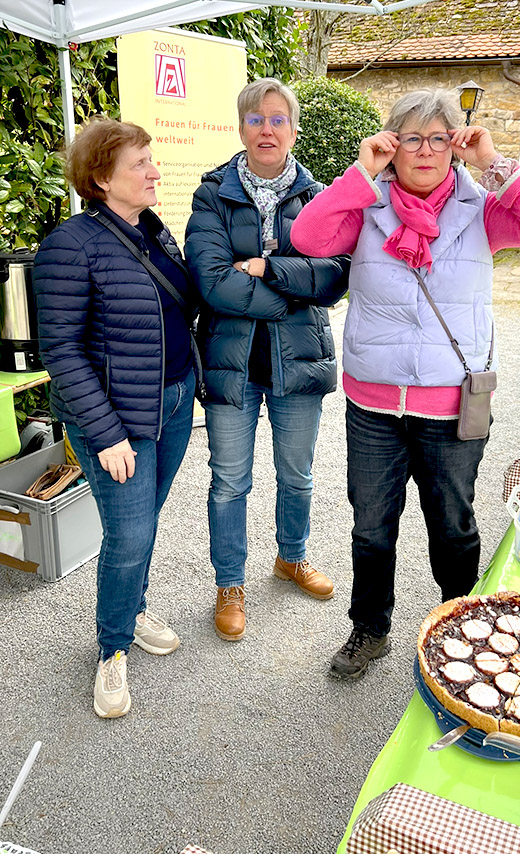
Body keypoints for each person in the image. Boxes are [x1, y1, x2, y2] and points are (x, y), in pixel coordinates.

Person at [291, 88, 520, 679]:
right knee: (371, 525)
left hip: (451, 403)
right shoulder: (367, 207)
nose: (425, 151)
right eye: (411, 138)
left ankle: (461, 625)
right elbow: (309, 240)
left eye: (439, 138)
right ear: (392, 146)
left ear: (455, 146)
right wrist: (360, 173)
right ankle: (370, 628)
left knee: (452, 523)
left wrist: (493, 162)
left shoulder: (481, 210)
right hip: (374, 401)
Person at [33, 118, 200, 717]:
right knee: (128, 535)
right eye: (141, 164)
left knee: (145, 523)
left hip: (175, 403)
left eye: (151, 160)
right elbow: (61, 349)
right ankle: (112, 649)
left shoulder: (155, 232)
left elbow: (179, 312)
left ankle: (131, 607)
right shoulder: (69, 245)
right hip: (118, 420)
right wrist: (104, 435)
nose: (155, 171)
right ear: (102, 179)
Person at [184, 78, 349, 642]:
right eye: (256, 119)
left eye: (278, 119)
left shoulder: (320, 196)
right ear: (240, 128)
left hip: (298, 362)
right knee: (229, 481)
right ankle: (229, 583)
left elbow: (335, 275)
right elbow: (210, 280)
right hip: (232, 363)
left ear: (294, 130)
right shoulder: (212, 194)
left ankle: (291, 557)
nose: (267, 129)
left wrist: (263, 268)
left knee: (297, 475)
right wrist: (289, 293)